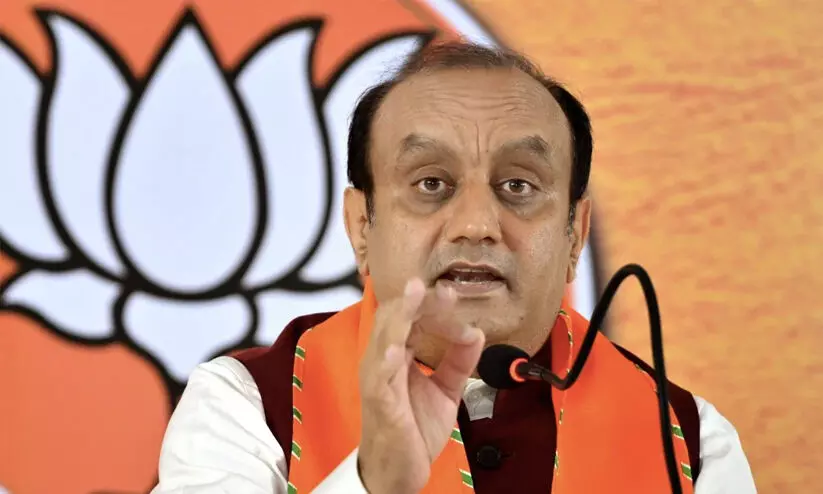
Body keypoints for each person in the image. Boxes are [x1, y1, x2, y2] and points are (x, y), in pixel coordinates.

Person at [152, 41, 756, 493]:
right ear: (362, 227)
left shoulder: (691, 441)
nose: (477, 224)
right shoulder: (244, 405)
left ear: (575, 232)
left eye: (518, 185)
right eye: (431, 183)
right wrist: (372, 482)